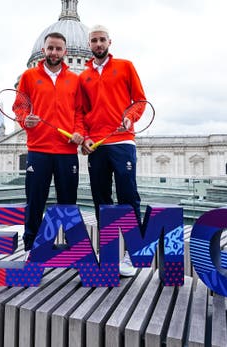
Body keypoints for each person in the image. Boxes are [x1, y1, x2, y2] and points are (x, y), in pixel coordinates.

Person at [80, 25, 147, 276]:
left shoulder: (126, 66)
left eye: (102, 40)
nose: (98, 44)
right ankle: (108, 252)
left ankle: (132, 253)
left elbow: (140, 100)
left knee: (128, 197)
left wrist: (130, 117)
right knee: (101, 200)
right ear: (89, 44)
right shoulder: (83, 77)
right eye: (94, 40)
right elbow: (81, 113)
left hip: (122, 141)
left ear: (110, 42)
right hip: (96, 144)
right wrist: (85, 137)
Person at [16, 32, 85, 257]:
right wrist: (25, 120)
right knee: (35, 201)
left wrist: (78, 132)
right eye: (50, 48)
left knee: (69, 202)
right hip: (38, 150)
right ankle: (30, 248)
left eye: (58, 49)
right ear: (44, 50)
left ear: (65, 52)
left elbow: (79, 112)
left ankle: (74, 249)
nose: (54, 52)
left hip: (66, 151)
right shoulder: (28, 77)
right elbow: (20, 107)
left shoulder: (75, 80)